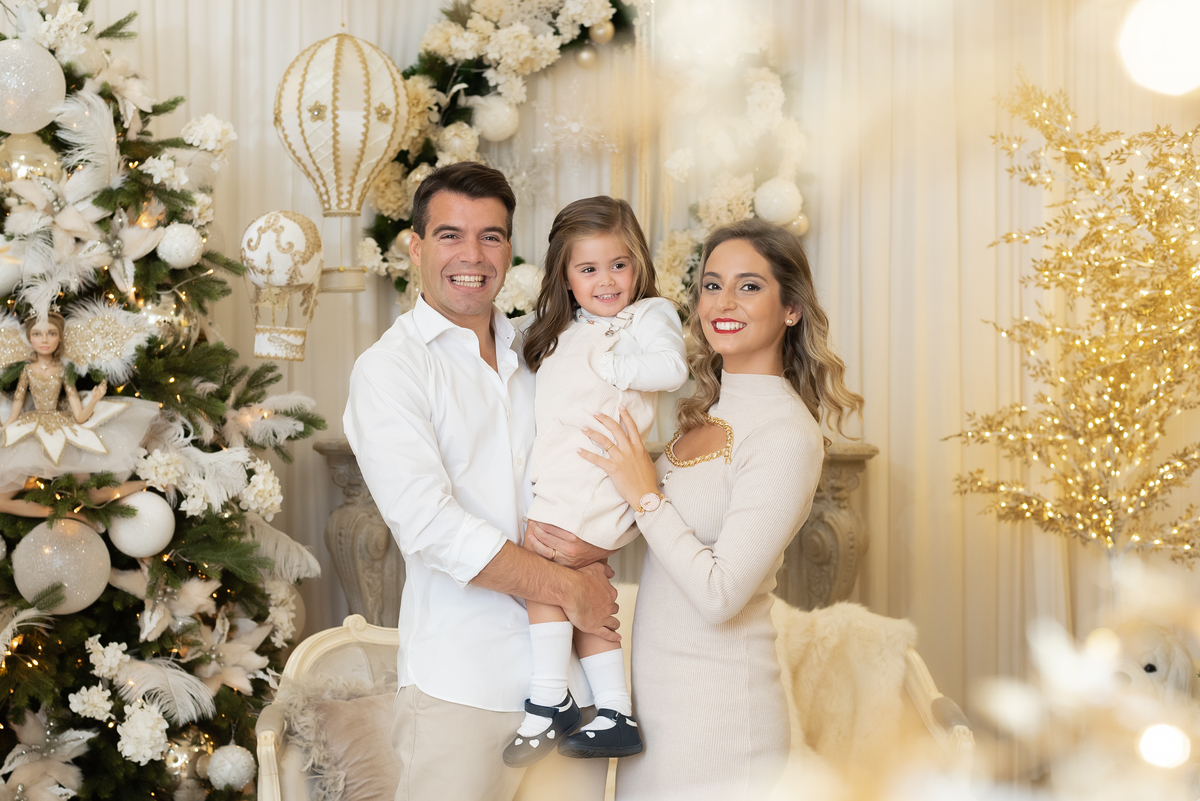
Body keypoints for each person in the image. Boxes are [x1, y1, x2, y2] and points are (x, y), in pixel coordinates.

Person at [343, 162, 616, 801]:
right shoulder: (389, 370)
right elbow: (430, 526)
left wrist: (599, 548)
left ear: (509, 249)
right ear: (415, 247)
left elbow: (594, 472)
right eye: (450, 235)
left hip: (572, 685)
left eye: (490, 236)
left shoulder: (542, 350)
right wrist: (568, 588)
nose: (472, 255)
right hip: (462, 688)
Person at [569, 218, 865, 800]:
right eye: (712, 285)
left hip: (724, 720)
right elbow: (659, 537)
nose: (723, 303)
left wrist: (645, 494)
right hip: (661, 711)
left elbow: (719, 595)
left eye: (749, 286)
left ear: (791, 309)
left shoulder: (785, 434)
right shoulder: (706, 414)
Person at [504, 197, 687, 767]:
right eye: (588, 269)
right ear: (565, 277)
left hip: (594, 476)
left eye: (619, 265)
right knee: (578, 583)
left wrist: (619, 367)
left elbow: (672, 368)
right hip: (565, 475)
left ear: (638, 265)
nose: (606, 281)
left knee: (542, 570)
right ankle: (614, 712)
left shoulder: (646, 316)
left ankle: (548, 698)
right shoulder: (561, 329)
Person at [1, 312, 153, 528]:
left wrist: (95, 399)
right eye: (37, 334)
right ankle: (69, 514)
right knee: (2, 500)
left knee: (90, 494)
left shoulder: (63, 371)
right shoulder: (27, 370)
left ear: (59, 337)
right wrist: (5, 430)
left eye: (51, 333)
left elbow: (80, 416)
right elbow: (14, 413)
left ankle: (148, 482)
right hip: (30, 427)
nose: (44, 340)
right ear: (29, 338)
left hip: (62, 428)